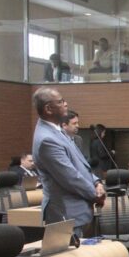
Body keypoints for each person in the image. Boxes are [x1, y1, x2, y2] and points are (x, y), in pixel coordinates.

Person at [31, 87, 105, 236]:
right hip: (66, 213)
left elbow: (80, 164)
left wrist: (97, 182)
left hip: (77, 211)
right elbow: (70, 177)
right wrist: (95, 195)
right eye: (60, 102)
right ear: (48, 109)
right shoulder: (47, 139)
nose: (66, 104)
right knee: (70, 250)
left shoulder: (57, 131)